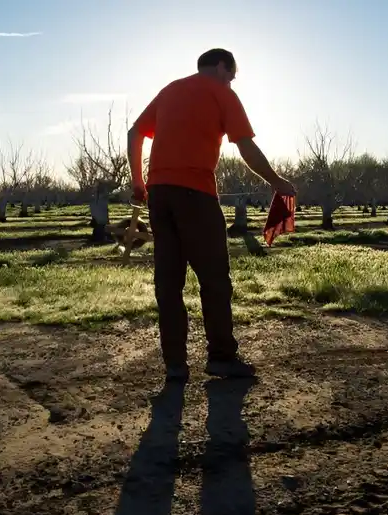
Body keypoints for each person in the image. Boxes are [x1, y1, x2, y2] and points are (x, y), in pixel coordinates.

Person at [126, 48, 297, 383]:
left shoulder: (169, 90)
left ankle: (175, 366)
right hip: (196, 195)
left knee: (169, 283)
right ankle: (221, 358)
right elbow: (245, 147)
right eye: (231, 77)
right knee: (215, 280)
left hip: (159, 194)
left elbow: (135, 133)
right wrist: (277, 181)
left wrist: (138, 182)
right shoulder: (222, 93)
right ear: (221, 68)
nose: (232, 83)